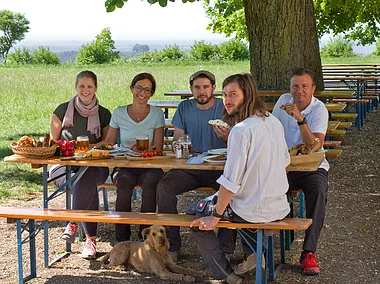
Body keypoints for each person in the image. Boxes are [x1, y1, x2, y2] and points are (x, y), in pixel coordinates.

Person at [189, 73, 291, 284]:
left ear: (248, 95)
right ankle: (254, 254)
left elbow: (230, 182)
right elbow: (285, 162)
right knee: (231, 200)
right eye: (225, 94)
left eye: (233, 94)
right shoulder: (272, 120)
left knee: (195, 213)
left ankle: (226, 274)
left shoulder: (240, 130)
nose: (227, 100)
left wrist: (215, 216)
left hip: (252, 210)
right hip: (279, 205)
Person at [156, 70, 228, 262]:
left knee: (231, 190)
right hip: (191, 166)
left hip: (218, 167)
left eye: (206, 87)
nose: (201, 92)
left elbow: (238, 141)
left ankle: (224, 249)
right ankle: (172, 245)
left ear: (214, 88)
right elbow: (177, 138)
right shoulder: (184, 107)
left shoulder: (224, 107)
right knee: (164, 186)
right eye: (197, 88)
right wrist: (177, 144)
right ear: (191, 90)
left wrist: (226, 137)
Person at [272, 68, 329, 275]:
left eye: (305, 86)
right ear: (290, 88)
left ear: (313, 89)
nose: (300, 91)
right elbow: (271, 130)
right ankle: (260, 249)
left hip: (312, 166)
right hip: (285, 165)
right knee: (260, 186)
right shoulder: (282, 101)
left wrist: (299, 118)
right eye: (295, 86)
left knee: (319, 192)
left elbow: (316, 144)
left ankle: (308, 252)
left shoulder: (319, 109)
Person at [49, 70, 111, 259]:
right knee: (83, 183)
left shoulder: (104, 113)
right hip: (64, 165)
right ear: (75, 87)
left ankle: (74, 223)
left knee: (85, 179)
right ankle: (90, 241)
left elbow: (108, 142)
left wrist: (90, 147)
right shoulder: (62, 110)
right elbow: (52, 142)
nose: (85, 90)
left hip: (95, 165)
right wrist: (69, 148)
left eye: (89, 86)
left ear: (96, 88)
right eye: (81, 86)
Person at [99, 72, 165, 242]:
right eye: (139, 88)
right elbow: (109, 142)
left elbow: (159, 144)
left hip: (149, 164)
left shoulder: (157, 113)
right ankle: (122, 240)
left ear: (151, 94)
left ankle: (146, 237)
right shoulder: (120, 112)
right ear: (132, 88)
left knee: (151, 184)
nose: (142, 93)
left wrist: (148, 149)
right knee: (124, 184)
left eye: (147, 90)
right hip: (125, 164)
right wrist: (89, 147)